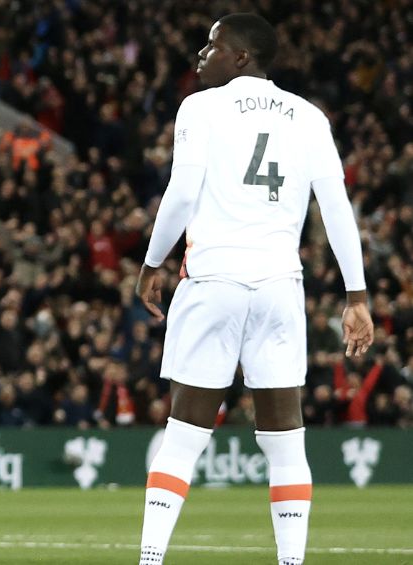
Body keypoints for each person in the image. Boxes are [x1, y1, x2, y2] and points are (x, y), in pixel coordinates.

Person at [134, 13, 375, 565]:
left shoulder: (200, 107)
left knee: (184, 433)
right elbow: (336, 208)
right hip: (279, 285)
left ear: (241, 57)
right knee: (286, 440)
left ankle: (150, 559)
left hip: (213, 276)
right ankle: (292, 562)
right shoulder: (310, 117)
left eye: (213, 45)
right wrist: (356, 296)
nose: (201, 53)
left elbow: (181, 191)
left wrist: (152, 262)